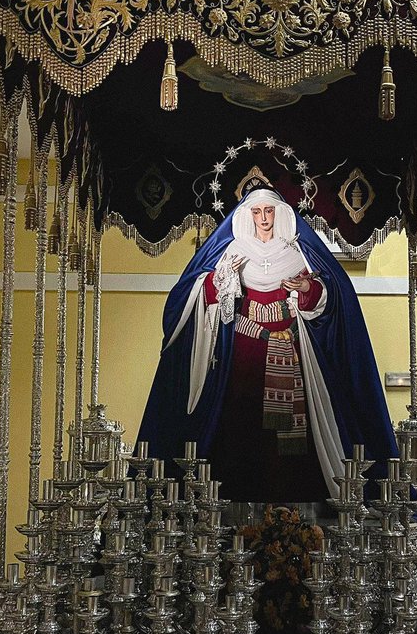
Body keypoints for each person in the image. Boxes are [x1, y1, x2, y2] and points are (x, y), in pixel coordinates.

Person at [137, 187, 397, 501]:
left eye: (269, 211)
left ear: (280, 214)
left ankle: (295, 507)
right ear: (247, 216)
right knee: (240, 429)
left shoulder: (298, 254)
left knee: (289, 440)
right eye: (257, 212)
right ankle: (233, 504)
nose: (263, 219)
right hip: (241, 358)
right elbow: (195, 296)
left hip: (291, 354)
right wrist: (220, 280)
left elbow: (331, 297)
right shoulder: (231, 252)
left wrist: (307, 288)